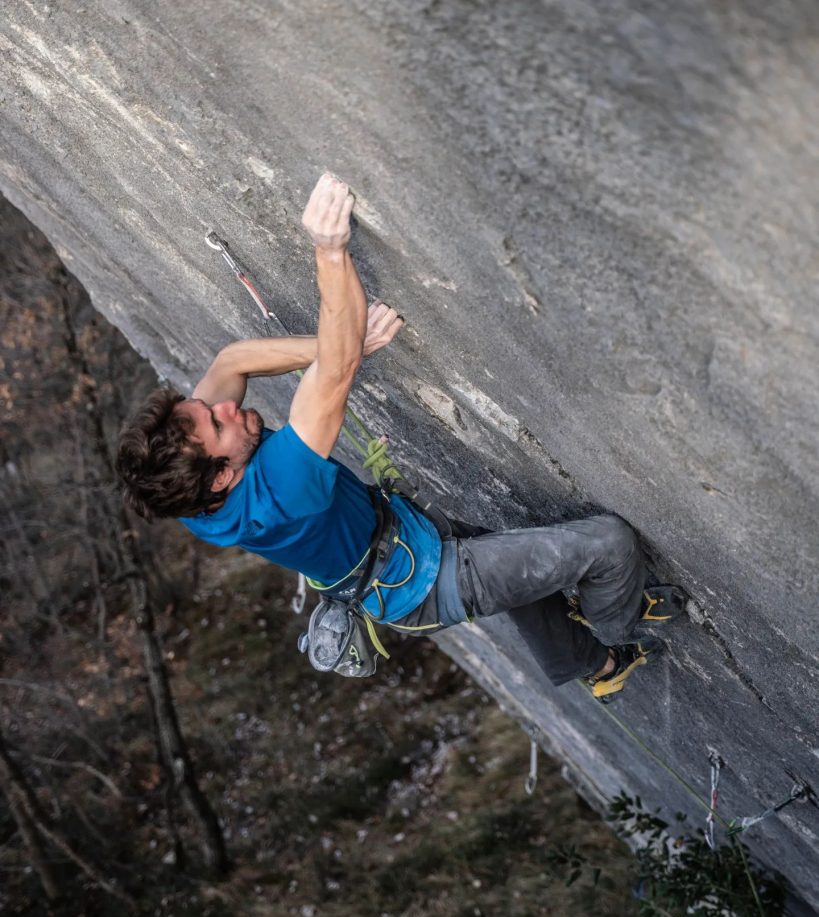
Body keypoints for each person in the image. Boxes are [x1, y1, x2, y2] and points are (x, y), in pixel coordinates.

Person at [116, 172, 684, 699]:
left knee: (525, 575)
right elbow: (334, 375)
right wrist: (329, 252)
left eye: (206, 406)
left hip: (400, 535)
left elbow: (233, 361)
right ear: (222, 476)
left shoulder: (190, 491)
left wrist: (342, 345)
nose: (224, 405)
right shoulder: (278, 494)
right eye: (218, 422)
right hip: (428, 583)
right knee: (607, 544)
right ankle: (619, 625)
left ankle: (591, 667)